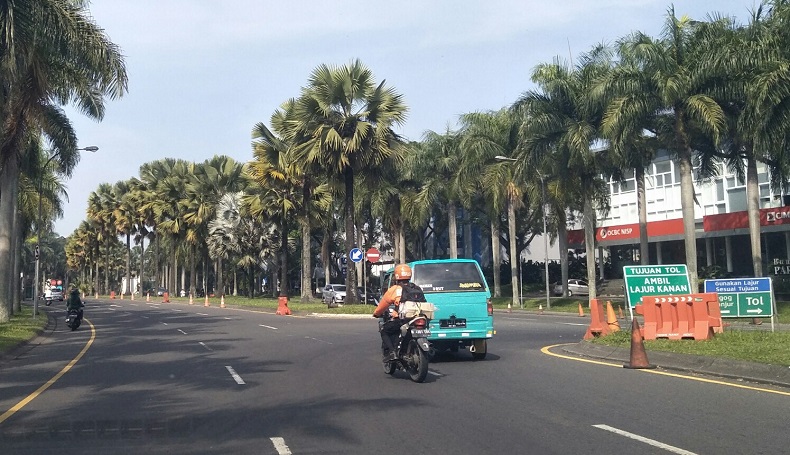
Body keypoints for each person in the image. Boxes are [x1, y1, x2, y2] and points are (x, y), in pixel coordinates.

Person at [373, 264, 425, 361]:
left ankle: (392, 352)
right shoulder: (417, 288)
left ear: (396, 275)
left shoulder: (395, 289)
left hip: (402, 320)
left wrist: (376, 313)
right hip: (418, 318)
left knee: (384, 330)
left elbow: (383, 305)